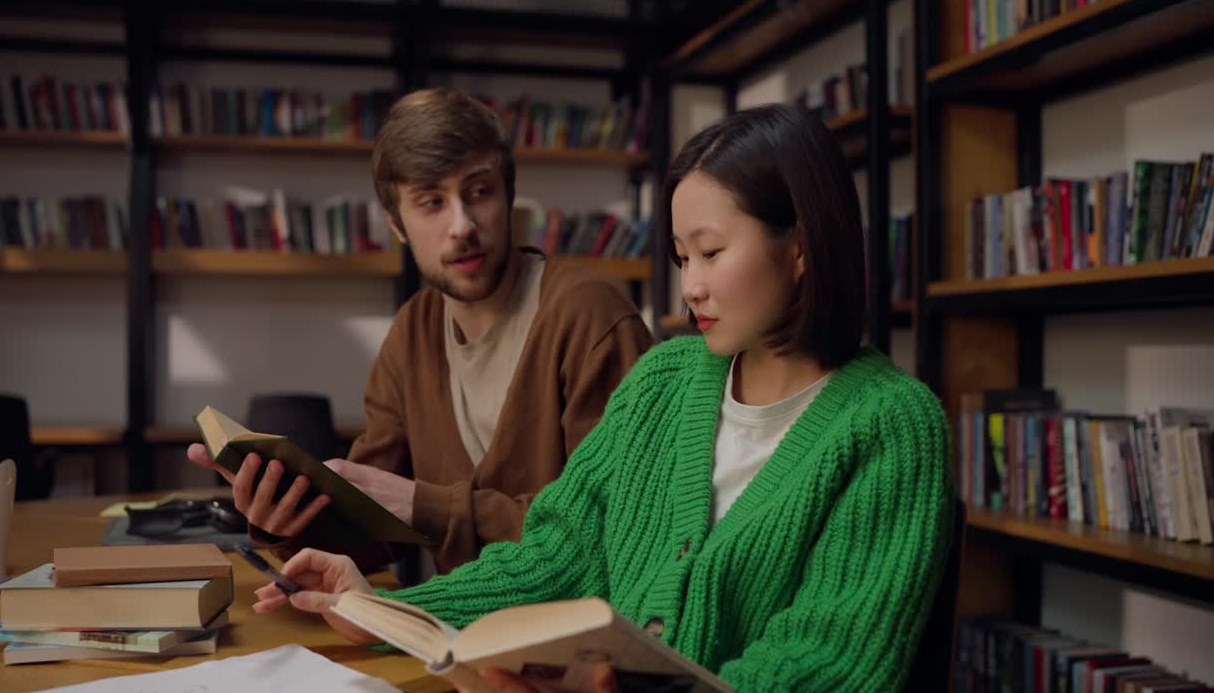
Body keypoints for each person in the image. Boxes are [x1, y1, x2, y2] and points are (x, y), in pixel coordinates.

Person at [251, 103, 954, 691]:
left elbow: (827, 661)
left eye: (711, 252)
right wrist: (391, 608)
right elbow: (560, 552)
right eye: (682, 258)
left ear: (799, 247)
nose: (691, 286)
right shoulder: (665, 380)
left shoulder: (892, 423)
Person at [186, 88, 654, 574]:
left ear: (509, 194)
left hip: (578, 631)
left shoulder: (590, 314)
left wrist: (426, 505)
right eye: (431, 202)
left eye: (480, 192)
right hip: (453, 625)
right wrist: (285, 522)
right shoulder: (412, 332)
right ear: (397, 225)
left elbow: (613, 530)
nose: (462, 226)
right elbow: (369, 532)